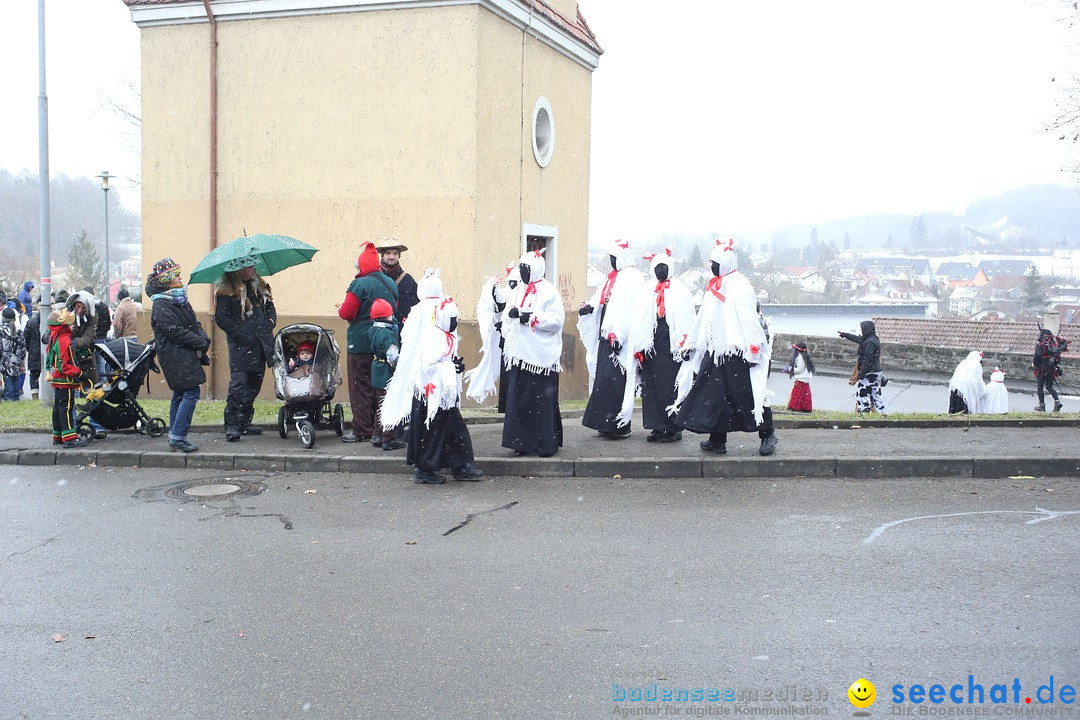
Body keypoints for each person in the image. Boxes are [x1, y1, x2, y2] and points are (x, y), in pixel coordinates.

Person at [672, 238, 776, 456]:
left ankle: (767, 433)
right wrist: (691, 344)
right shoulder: (714, 286)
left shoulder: (740, 284)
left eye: (716, 262)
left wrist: (753, 349)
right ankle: (717, 439)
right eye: (712, 263)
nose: (712, 267)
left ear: (727, 262)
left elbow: (749, 319)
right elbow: (703, 319)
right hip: (715, 352)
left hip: (737, 352)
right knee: (713, 397)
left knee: (747, 395)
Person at [382, 294, 483, 484]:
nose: (455, 323)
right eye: (453, 319)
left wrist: (455, 365)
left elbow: (445, 359)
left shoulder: (448, 335)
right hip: (428, 394)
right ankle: (424, 470)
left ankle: (460, 465)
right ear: (444, 318)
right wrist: (450, 367)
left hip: (443, 394)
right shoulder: (432, 336)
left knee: (454, 429)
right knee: (431, 432)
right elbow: (428, 366)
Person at [577, 239, 647, 438]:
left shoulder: (632, 277)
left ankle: (619, 425)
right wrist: (589, 308)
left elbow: (629, 311)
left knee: (617, 382)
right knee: (604, 380)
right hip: (606, 335)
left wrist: (619, 334)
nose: (612, 262)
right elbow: (600, 300)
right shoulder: (613, 278)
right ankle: (604, 422)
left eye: (614, 258)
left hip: (620, 339)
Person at [501, 248, 564, 457]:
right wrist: (510, 317)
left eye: (526, 269)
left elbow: (556, 321)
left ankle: (545, 443)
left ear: (537, 269)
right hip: (520, 355)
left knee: (541, 401)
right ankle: (522, 442)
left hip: (541, 357)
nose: (523, 273)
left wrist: (530, 317)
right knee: (521, 400)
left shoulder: (549, 292)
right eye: (521, 268)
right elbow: (507, 316)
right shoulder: (518, 290)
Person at [627, 248, 694, 442]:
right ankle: (656, 426)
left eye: (664, 267)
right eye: (657, 268)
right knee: (652, 388)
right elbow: (639, 318)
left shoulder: (681, 290)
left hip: (671, 347)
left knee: (670, 388)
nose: (661, 272)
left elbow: (687, 318)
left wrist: (686, 344)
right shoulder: (648, 289)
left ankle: (673, 427)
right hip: (652, 346)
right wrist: (639, 344)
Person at [147, 258, 210, 453]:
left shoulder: (179, 299)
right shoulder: (161, 305)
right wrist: (199, 341)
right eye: (176, 275)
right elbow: (175, 331)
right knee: (191, 393)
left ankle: (175, 435)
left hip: (183, 354)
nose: (180, 277)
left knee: (181, 393)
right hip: (175, 356)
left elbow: (193, 323)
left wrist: (203, 337)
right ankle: (178, 436)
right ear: (167, 279)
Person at [338, 241, 399, 443]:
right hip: (384, 341)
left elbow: (347, 311)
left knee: (360, 386)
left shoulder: (359, 284)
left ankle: (362, 430)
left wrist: (341, 309)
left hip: (360, 342)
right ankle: (378, 429)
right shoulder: (390, 283)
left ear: (362, 266)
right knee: (379, 387)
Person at [213, 255, 277, 441]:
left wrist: (270, 322)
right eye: (249, 266)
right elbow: (221, 318)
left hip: (262, 344)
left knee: (254, 385)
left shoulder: (260, 287)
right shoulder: (228, 290)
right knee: (239, 385)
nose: (253, 269)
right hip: (241, 346)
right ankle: (232, 424)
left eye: (253, 265)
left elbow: (271, 308)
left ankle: (244, 421)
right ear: (237, 269)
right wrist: (242, 334)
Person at [66, 289, 108, 439]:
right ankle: (70, 427)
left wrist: (74, 342)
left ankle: (97, 426)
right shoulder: (66, 315)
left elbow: (89, 337)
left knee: (94, 390)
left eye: (83, 308)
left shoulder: (92, 318)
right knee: (68, 393)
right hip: (67, 358)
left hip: (87, 358)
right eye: (77, 307)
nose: (80, 310)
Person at [44, 307, 88, 448]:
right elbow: (65, 366)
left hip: (58, 379)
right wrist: (80, 373)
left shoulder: (55, 337)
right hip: (66, 380)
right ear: (63, 325)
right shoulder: (64, 340)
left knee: (58, 408)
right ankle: (69, 439)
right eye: (71, 324)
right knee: (67, 408)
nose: (73, 326)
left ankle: (58, 436)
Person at [368, 298, 406, 451]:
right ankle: (388, 438)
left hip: (377, 370)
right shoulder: (387, 335)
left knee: (380, 405)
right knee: (390, 405)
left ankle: (377, 434)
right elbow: (393, 358)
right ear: (389, 316)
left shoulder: (373, 330)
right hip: (387, 373)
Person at [838, 320, 886, 416]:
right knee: (876, 393)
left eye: (862, 328)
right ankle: (880, 413)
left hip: (869, 372)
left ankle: (863, 412)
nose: (862, 331)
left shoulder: (869, 342)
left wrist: (862, 373)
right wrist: (845, 335)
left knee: (863, 392)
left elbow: (867, 358)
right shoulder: (872, 339)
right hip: (876, 372)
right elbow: (857, 339)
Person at [377, 239, 419, 322]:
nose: (391, 257)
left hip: (402, 330)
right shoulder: (375, 278)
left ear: (399, 255)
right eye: (388, 253)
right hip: (379, 329)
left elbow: (417, 306)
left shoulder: (408, 280)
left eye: (395, 253)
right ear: (382, 255)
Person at [1032, 328, 1069, 412]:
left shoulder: (1040, 345)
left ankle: (1041, 405)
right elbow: (1057, 359)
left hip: (1041, 369)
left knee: (1040, 386)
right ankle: (1057, 401)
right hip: (1051, 369)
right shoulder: (1054, 346)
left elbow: (1037, 356)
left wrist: (1036, 365)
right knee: (1049, 386)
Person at [1, 307, 27, 401]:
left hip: (5, 362)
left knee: (8, 385)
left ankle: (10, 401)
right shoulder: (19, 332)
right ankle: (16, 400)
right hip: (16, 362)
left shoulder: (1, 331)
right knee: (15, 382)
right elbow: (23, 348)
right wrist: (21, 361)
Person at [784, 341, 815, 412]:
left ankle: (794, 407)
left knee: (797, 395)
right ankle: (805, 408)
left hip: (801, 379)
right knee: (805, 396)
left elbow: (799, 369)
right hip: (806, 378)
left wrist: (789, 369)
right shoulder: (806, 356)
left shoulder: (800, 358)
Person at [24, 298, 41, 399]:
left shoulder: (31, 322)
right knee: (50, 372)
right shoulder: (51, 321)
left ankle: (35, 395)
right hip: (48, 351)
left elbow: (26, 336)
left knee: (34, 374)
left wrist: (29, 348)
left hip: (34, 351)